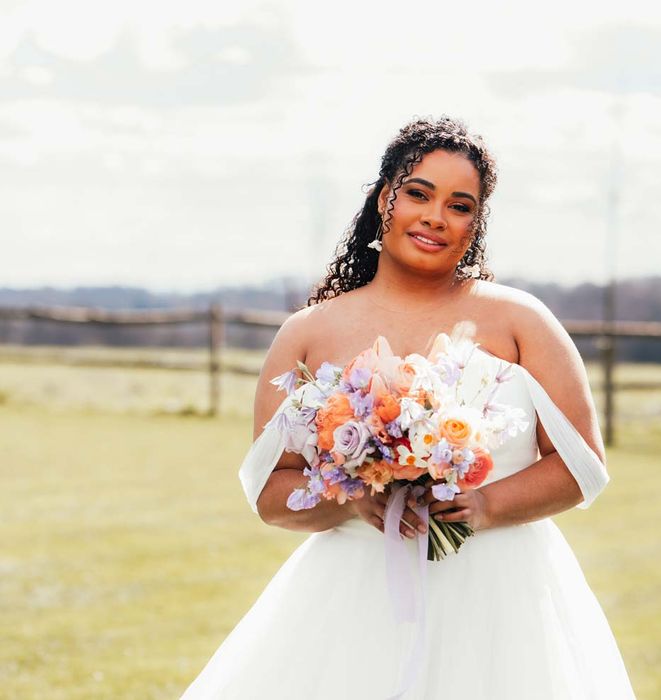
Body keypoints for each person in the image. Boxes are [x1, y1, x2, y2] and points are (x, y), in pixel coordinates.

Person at [180, 116, 636, 699]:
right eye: (419, 193)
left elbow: (581, 464)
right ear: (382, 199)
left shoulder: (522, 321)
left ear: (476, 223)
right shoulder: (307, 334)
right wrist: (352, 500)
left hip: (502, 596)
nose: (435, 217)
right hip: (354, 596)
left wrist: (485, 503)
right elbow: (273, 492)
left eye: (460, 205)